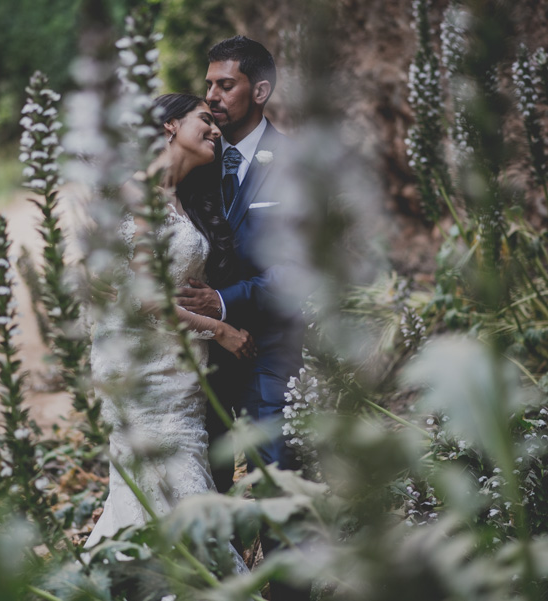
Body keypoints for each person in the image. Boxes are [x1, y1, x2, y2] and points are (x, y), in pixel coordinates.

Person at [85, 94, 253, 570]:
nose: (216, 130)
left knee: (161, 490)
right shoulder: (138, 193)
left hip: (179, 370)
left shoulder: (179, 197)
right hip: (144, 373)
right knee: (175, 486)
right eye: (205, 119)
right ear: (169, 126)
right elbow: (145, 299)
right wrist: (220, 329)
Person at [175, 36, 310, 601]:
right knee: (205, 485)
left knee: (277, 480)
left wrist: (226, 305)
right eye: (207, 84)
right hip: (203, 358)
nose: (210, 97)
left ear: (260, 90)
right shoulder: (196, 158)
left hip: (270, 348)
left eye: (223, 85)